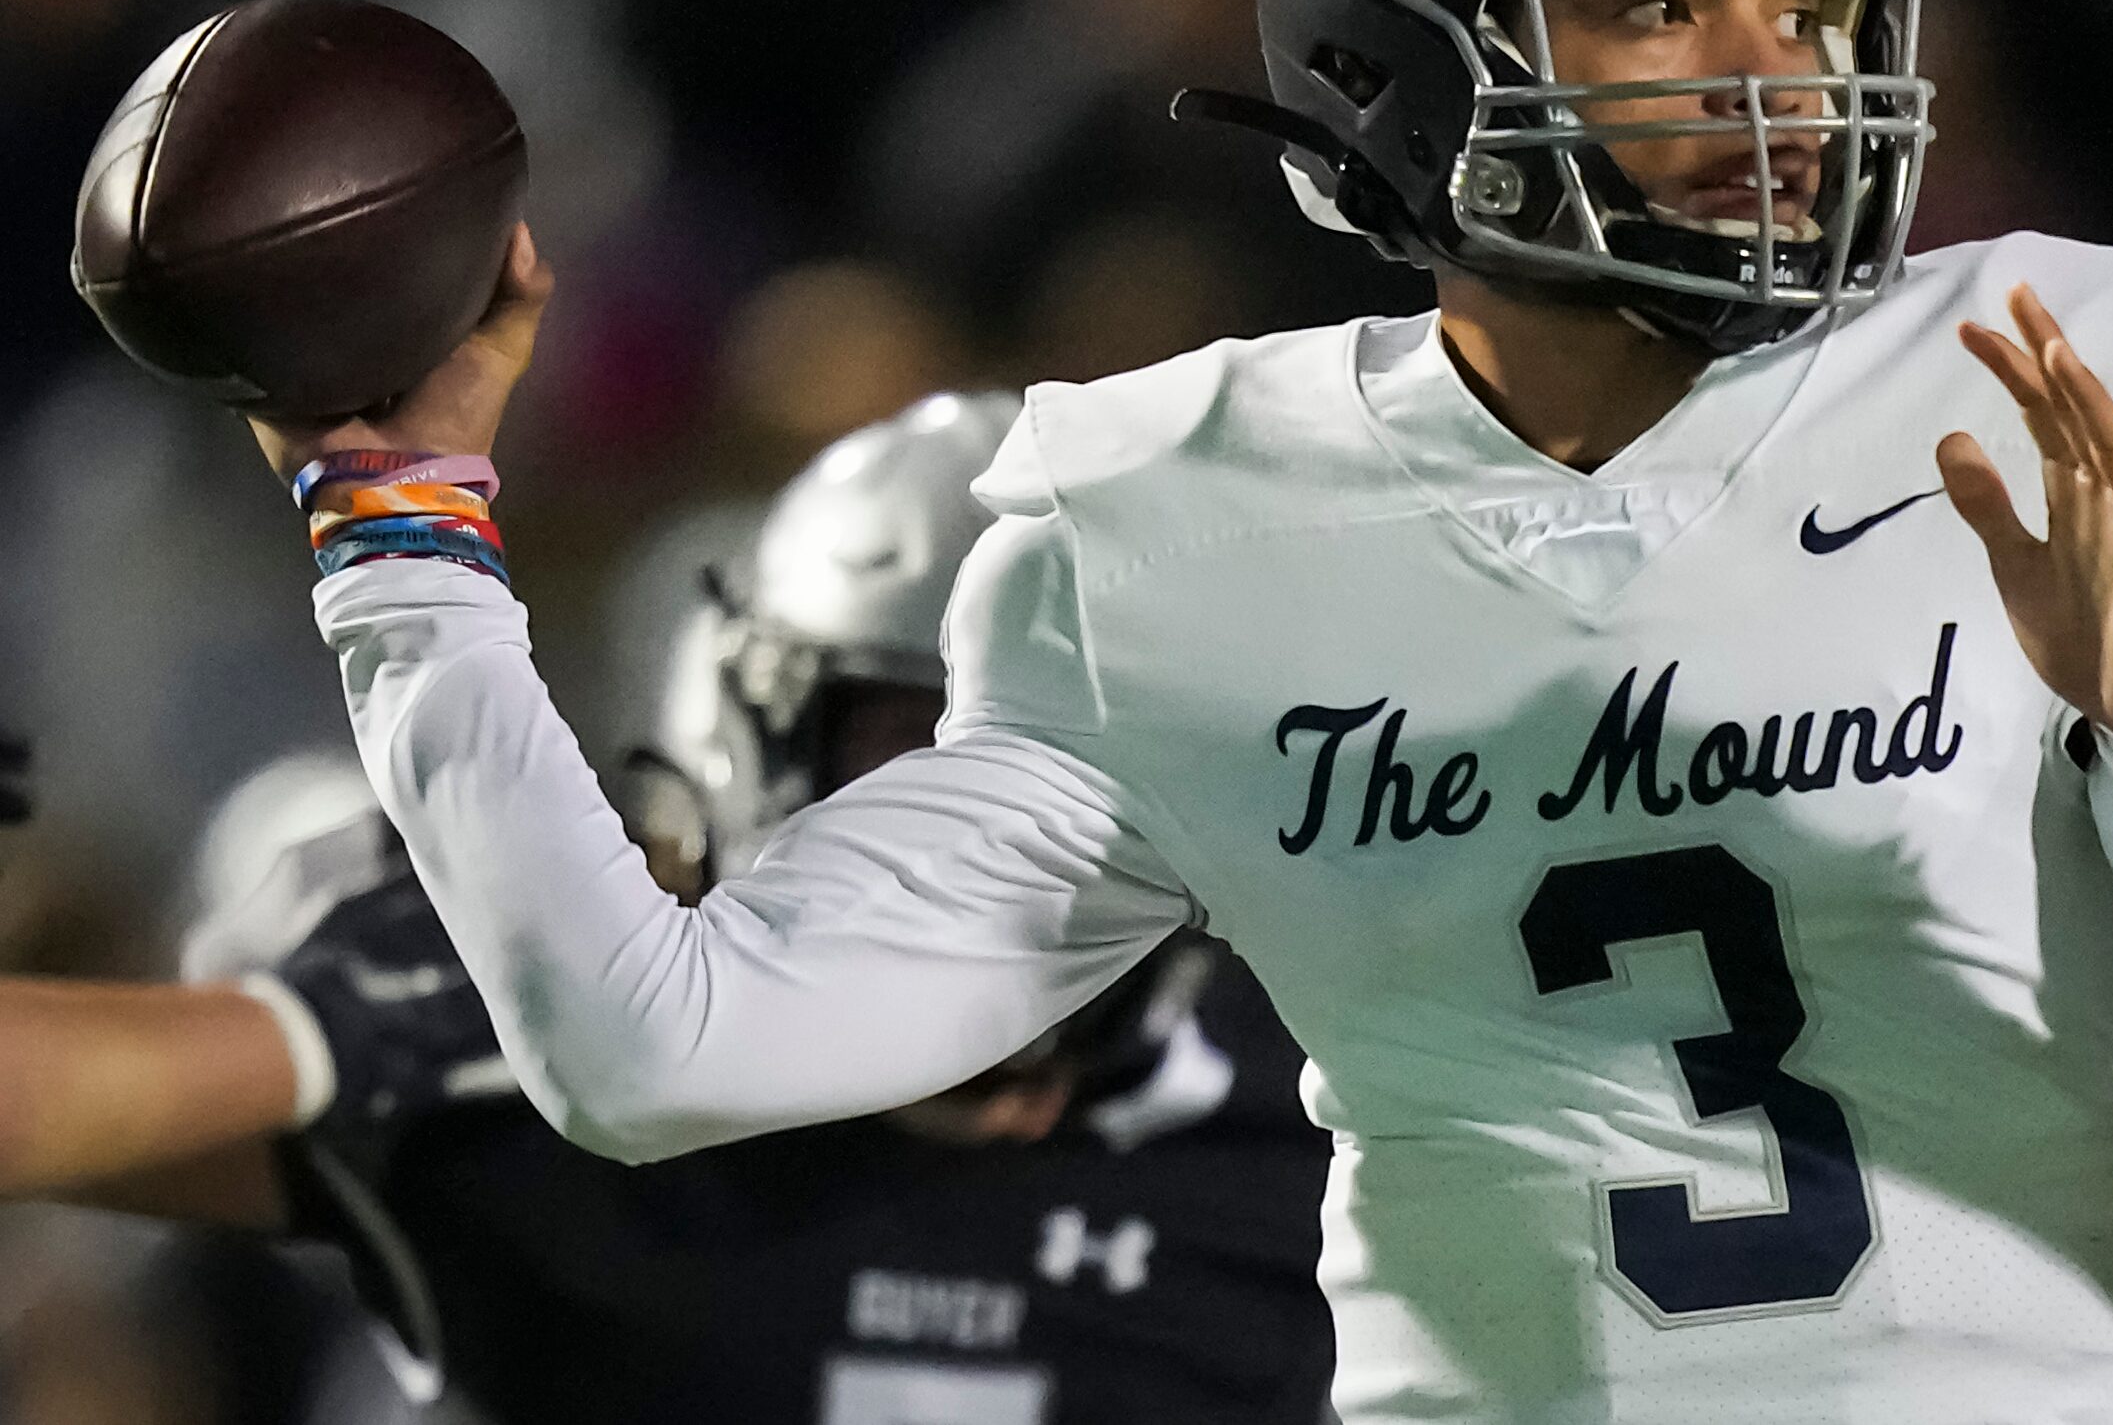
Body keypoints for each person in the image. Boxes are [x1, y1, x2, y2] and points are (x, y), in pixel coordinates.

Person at [248, 0, 2113, 1425]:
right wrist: (402, 542)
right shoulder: (1165, 512)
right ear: (1411, 38)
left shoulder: (2060, 381)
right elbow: (652, 1053)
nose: (1775, 68)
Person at [0, 397, 1334, 1425]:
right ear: (760, 743)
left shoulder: (1349, 1121)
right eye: (914, 752)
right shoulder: (548, 1062)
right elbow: (54, 1092)